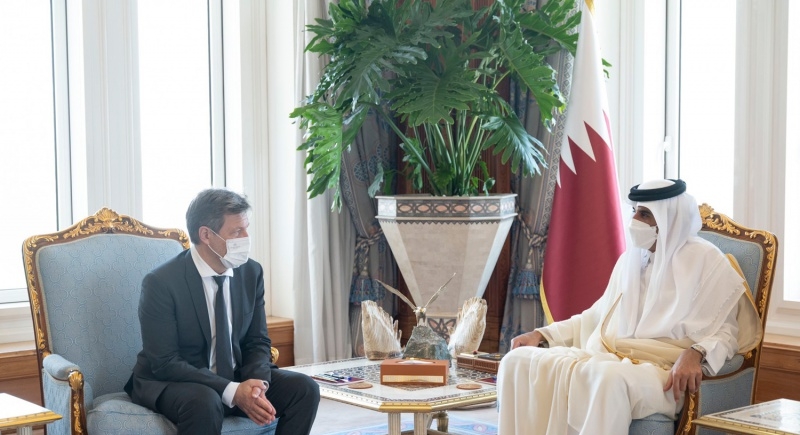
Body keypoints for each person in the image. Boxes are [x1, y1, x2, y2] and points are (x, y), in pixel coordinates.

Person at [497, 179, 761, 434]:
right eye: (634, 211)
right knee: (517, 361)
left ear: (668, 219)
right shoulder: (631, 260)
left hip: (663, 371)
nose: (634, 220)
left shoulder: (706, 261)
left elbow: (727, 333)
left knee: (607, 379)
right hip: (612, 358)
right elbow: (595, 317)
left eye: (644, 214)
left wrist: (695, 353)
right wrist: (542, 334)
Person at [125, 188, 320, 435]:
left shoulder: (251, 273)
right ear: (206, 235)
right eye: (237, 231)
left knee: (305, 389)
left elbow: (257, 341)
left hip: (236, 376)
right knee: (205, 401)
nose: (246, 237)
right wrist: (232, 391)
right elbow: (165, 362)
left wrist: (256, 387)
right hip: (177, 381)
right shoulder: (161, 282)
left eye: (246, 229)